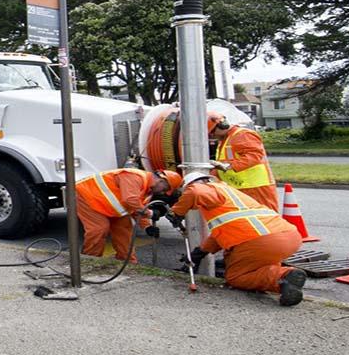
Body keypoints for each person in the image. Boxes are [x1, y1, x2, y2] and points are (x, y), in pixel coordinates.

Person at [155, 172, 306, 306]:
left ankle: (282, 276)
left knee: (236, 277)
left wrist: (176, 212)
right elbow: (222, 232)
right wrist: (201, 251)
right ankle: (286, 281)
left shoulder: (208, 188)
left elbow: (195, 191)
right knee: (258, 269)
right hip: (288, 237)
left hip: (260, 241)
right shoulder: (229, 195)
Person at [74, 168, 183, 263]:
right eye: (165, 189)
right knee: (99, 228)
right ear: (161, 180)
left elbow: (138, 209)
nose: (163, 193)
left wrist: (147, 226)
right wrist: (150, 213)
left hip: (106, 205)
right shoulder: (135, 176)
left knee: (124, 230)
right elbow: (130, 200)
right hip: (86, 196)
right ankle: (90, 261)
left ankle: (127, 262)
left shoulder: (147, 190)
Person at [207, 111, 279, 213]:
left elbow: (254, 155)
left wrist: (228, 166)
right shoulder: (225, 139)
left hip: (255, 187)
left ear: (221, 126)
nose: (212, 136)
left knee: (265, 218)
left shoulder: (242, 134)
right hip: (241, 187)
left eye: (212, 132)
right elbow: (224, 163)